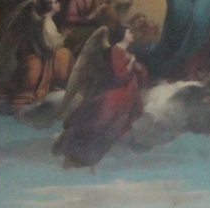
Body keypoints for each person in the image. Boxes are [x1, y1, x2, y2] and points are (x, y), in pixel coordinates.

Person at [54, 26, 147, 169]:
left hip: (126, 96)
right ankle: (71, 152)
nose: (132, 34)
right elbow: (119, 76)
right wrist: (131, 63)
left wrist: (138, 68)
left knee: (111, 130)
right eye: (129, 32)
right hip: (115, 96)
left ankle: (87, 159)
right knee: (98, 124)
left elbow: (135, 74)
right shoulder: (115, 51)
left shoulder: (125, 53)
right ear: (122, 34)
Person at [0, 0, 74, 105]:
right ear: (50, 5)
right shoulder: (46, 21)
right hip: (37, 54)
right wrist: (63, 36)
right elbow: (51, 44)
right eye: (56, 2)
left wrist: (61, 35)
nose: (59, 4)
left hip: (41, 53)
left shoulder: (45, 20)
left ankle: (50, 86)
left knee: (62, 54)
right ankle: (44, 88)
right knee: (63, 54)